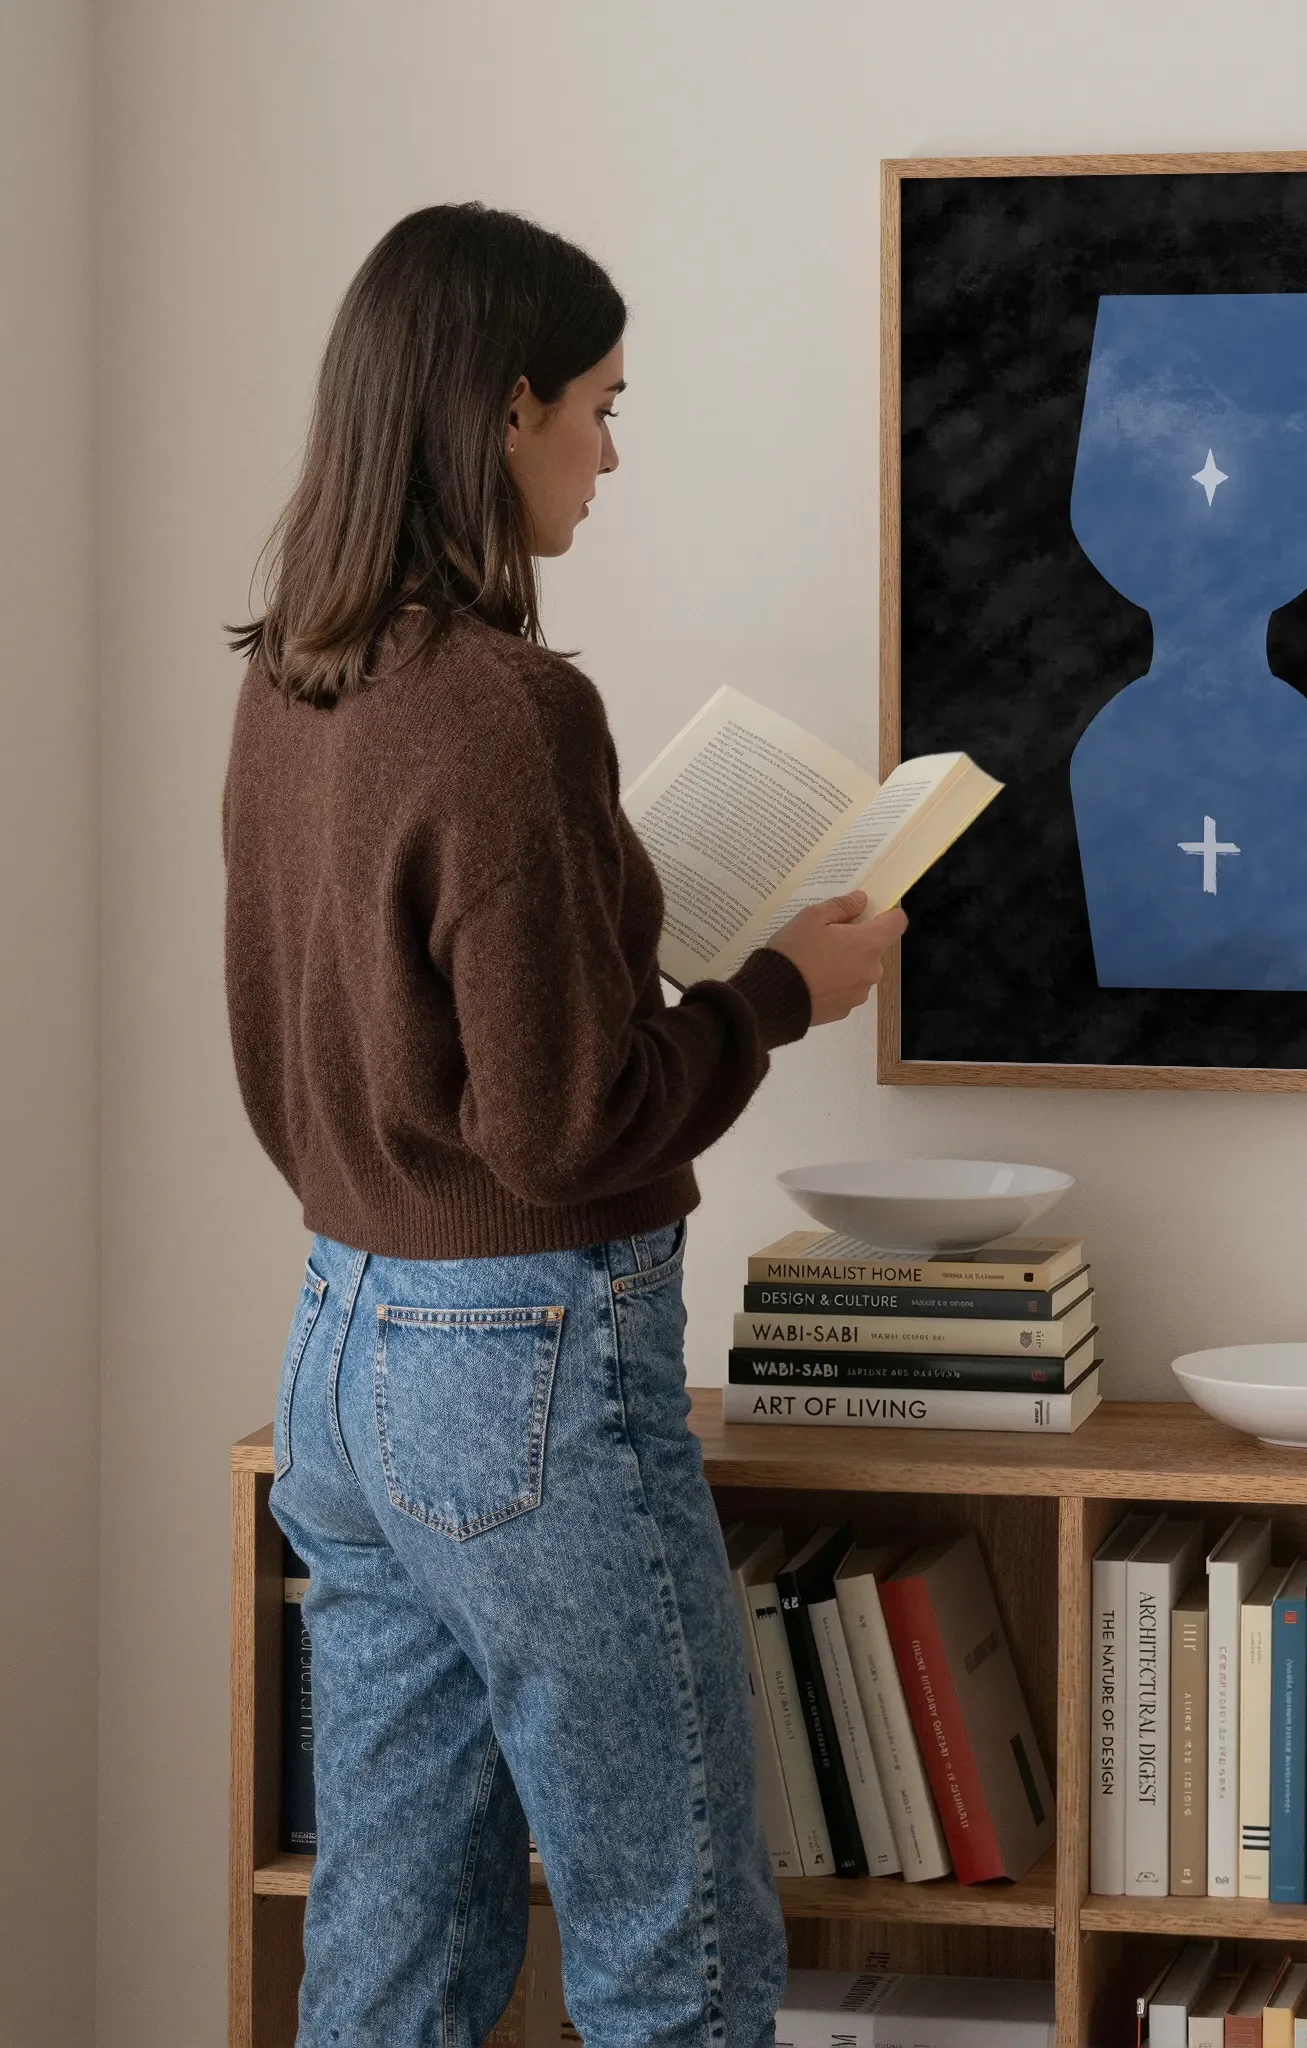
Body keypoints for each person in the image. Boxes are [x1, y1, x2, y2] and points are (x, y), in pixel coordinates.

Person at [222, 202, 901, 2048]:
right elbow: (563, 1126)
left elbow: (326, 1051)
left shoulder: (294, 675)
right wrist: (777, 996)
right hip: (521, 1368)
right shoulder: (509, 707)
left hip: (341, 1360)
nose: (610, 451)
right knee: (671, 1949)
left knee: (394, 1947)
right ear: (502, 405)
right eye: (600, 404)